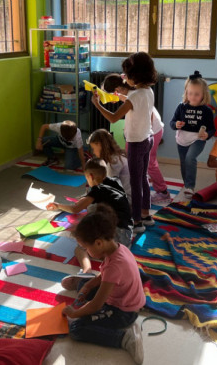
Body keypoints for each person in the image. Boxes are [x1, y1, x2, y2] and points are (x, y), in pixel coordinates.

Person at [61, 205, 145, 364]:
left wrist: (74, 313)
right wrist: (89, 285)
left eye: (86, 248)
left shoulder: (115, 266)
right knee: (86, 287)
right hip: (122, 294)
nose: (86, 251)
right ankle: (82, 282)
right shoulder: (117, 249)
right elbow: (104, 275)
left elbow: (96, 305)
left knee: (77, 329)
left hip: (123, 313)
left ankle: (125, 339)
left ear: (98, 243)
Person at [92, 52, 157, 233]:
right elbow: (137, 106)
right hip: (148, 139)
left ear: (135, 76)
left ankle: (136, 221)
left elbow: (113, 118)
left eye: (126, 74)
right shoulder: (147, 91)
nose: (124, 78)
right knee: (143, 178)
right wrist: (123, 99)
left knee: (135, 182)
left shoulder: (133, 97)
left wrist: (98, 105)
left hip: (136, 143)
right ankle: (146, 214)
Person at [48, 158, 133, 272]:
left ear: (91, 176)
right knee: (93, 207)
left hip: (118, 235)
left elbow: (75, 209)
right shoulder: (114, 181)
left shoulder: (97, 189)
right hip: (128, 232)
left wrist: (57, 205)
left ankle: (86, 270)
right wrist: (85, 199)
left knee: (80, 248)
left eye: (86, 178)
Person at [102, 73, 170, 204]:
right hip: (147, 132)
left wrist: (97, 104)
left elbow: (115, 117)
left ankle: (163, 192)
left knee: (149, 163)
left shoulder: (136, 94)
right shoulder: (135, 91)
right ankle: (139, 191)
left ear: (118, 89)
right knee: (140, 164)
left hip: (151, 132)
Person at [170, 71, 215, 199]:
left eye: (197, 94)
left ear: (203, 95)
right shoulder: (181, 107)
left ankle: (190, 186)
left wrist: (207, 134)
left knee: (190, 158)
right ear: (186, 92)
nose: (193, 96)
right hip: (182, 138)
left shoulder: (206, 111)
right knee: (184, 163)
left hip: (198, 139)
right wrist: (176, 124)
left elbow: (212, 129)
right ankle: (187, 185)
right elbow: (172, 122)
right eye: (190, 93)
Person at [88, 129, 132, 202]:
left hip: (127, 201)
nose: (93, 152)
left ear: (99, 145)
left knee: (92, 205)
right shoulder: (118, 156)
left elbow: (108, 189)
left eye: (93, 148)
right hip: (130, 197)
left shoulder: (113, 162)